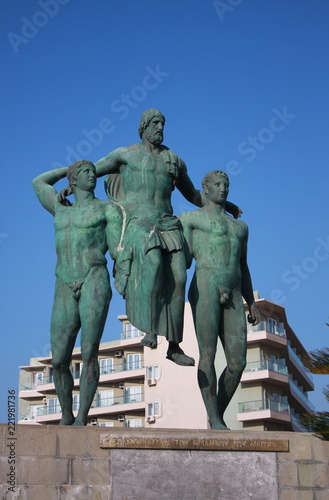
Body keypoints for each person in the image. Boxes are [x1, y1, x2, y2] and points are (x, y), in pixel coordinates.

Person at [59, 109, 240, 366]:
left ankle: (174, 345)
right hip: (138, 221)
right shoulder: (125, 154)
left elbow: (193, 195)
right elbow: (92, 170)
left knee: (179, 277)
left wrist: (225, 205)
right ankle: (149, 328)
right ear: (143, 127)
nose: (159, 127)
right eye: (155, 123)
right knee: (152, 263)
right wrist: (71, 184)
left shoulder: (173, 159)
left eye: (162, 124)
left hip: (167, 221)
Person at [33, 161, 121, 425]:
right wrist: (66, 172)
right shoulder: (60, 209)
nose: (92, 174)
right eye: (85, 172)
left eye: (93, 171)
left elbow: (117, 251)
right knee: (59, 358)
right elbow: (39, 182)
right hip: (63, 280)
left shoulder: (107, 209)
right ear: (73, 180)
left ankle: (82, 416)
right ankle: (65, 413)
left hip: (93, 277)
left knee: (89, 352)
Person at [180, 170, 259, 429]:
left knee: (238, 363)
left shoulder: (240, 227)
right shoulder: (191, 219)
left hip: (234, 290)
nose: (223, 188)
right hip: (206, 285)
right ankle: (214, 418)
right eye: (217, 184)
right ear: (206, 189)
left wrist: (252, 301)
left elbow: (244, 265)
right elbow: (182, 261)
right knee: (208, 354)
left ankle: (216, 414)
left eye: (226, 184)